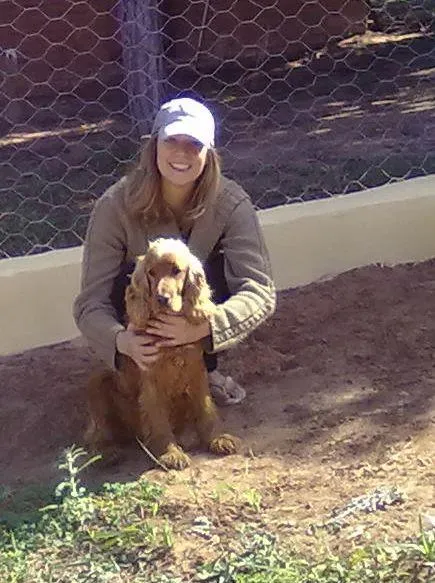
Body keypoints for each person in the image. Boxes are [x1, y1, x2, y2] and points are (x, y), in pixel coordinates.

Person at [73, 97, 276, 405]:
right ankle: (136, 375)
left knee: (203, 271)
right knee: (136, 276)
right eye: (172, 141)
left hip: (197, 324)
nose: (182, 153)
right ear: (153, 146)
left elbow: (260, 290)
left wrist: (203, 327)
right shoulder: (114, 206)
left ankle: (203, 374)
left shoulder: (232, 203)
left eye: (194, 144)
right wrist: (121, 340)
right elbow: (91, 301)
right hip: (137, 326)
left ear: (209, 154)